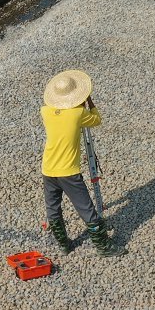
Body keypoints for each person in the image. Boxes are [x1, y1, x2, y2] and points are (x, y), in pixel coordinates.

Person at [40, 69, 126, 258]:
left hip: (48, 168)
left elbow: (58, 115)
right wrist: (89, 102)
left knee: (53, 207)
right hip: (68, 171)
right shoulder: (78, 113)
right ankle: (103, 247)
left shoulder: (45, 111)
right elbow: (96, 120)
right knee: (86, 207)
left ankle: (64, 244)